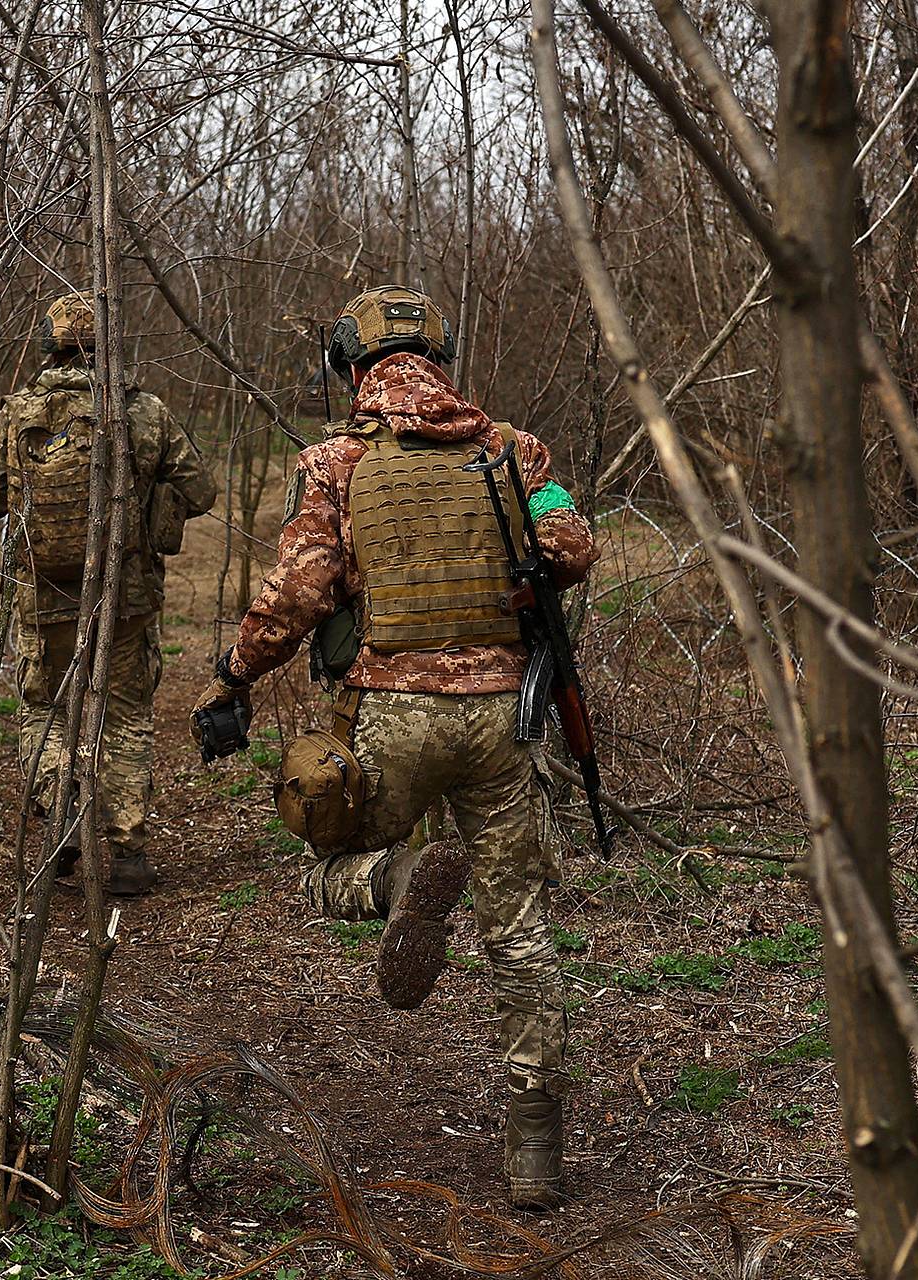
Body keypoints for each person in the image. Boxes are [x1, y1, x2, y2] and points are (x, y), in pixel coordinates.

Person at [189, 285, 598, 1207]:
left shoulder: (335, 463)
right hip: (508, 721)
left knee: (323, 857)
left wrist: (232, 677)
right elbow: (571, 546)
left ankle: (397, 883)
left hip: (393, 714)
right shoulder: (514, 450)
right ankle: (534, 1153)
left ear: (350, 364)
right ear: (442, 357)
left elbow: (298, 594)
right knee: (521, 933)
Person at [0, 292, 216, 895]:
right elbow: (202, 490)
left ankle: (61, 824)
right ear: (107, 345)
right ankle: (127, 851)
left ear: (50, 344)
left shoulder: (18, 413)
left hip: (42, 596)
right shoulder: (143, 411)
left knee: (45, 710)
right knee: (125, 715)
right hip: (123, 597)